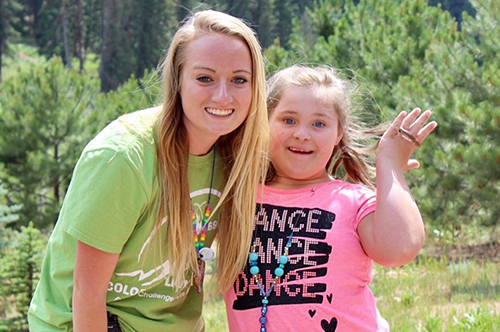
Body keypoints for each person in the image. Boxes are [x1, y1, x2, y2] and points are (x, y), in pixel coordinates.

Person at [28, 10, 268, 332]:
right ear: (178, 81)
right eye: (204, 78)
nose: (223, 95)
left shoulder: (236, 157)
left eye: (239, 80)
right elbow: (86, 293)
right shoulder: (124, 157)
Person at [223, 65, 437, 332]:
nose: (302, 133)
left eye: (319, 123)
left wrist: (390, 165)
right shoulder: (236, 195)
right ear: (263, 123)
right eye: (288, 120)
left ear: (339, 134)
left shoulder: (353, 200)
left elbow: (400, 248)